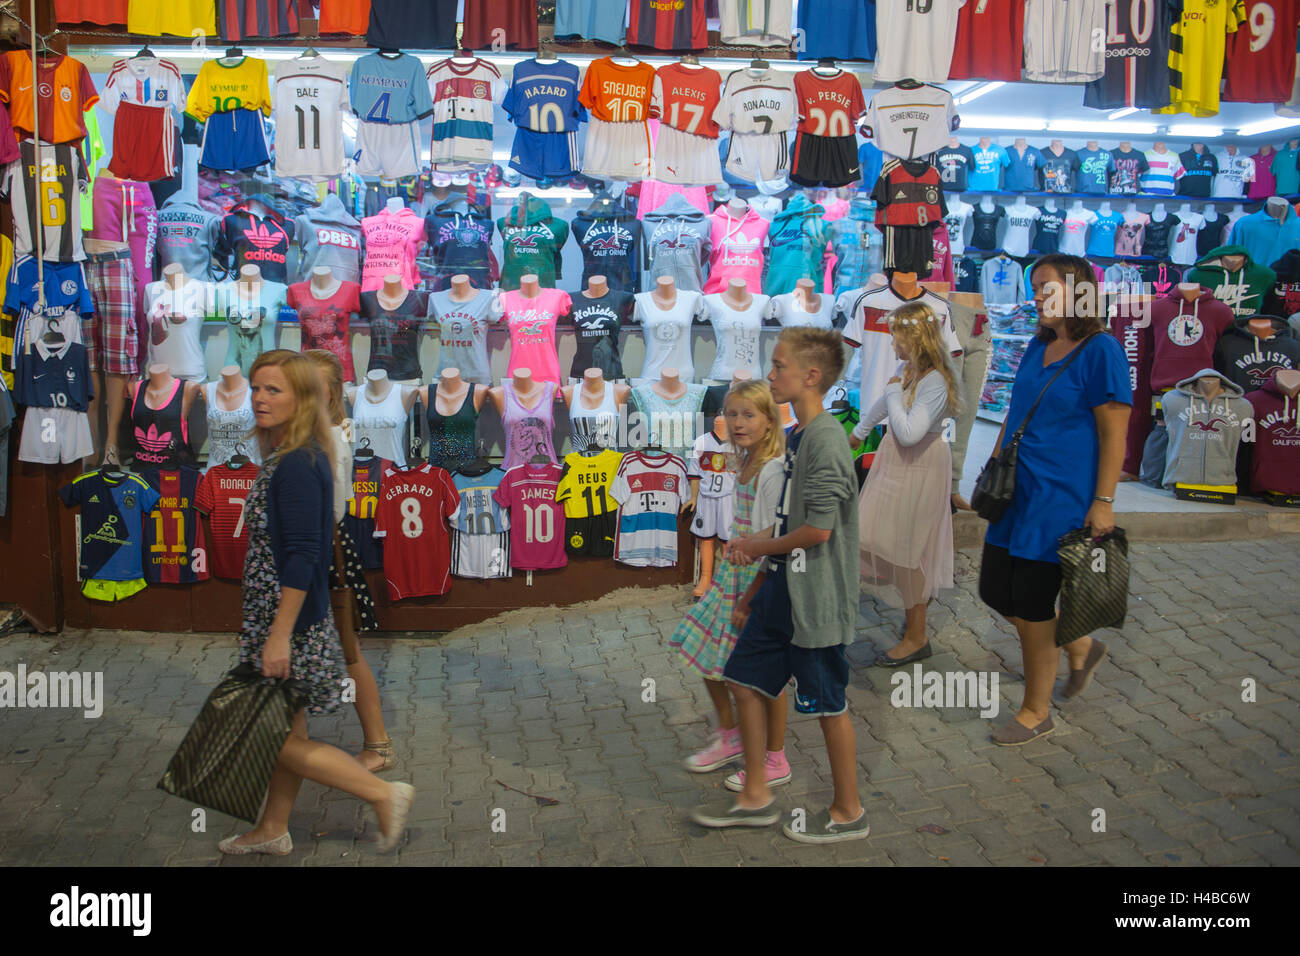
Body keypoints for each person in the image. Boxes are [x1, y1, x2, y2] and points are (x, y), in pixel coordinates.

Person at [218, 350, 414, 855]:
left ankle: (381, 792)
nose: (259, 398)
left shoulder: (301, 463)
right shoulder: (290, 454)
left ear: (303, 398)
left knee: (273, 736)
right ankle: (272, 827)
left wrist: (280, 633)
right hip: (277, 616)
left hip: (289, 621)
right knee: (290, 729)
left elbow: (306, 555)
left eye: (273, 390)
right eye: (256, 388)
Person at [691, 327, 867, 843]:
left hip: (816, 600)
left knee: (829, 706)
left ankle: (848, 811)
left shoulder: (828, 441)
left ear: (810, 376)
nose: (771, 375)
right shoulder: (799, 436)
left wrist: (753, 546)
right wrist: (757, 554)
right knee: (743, 679)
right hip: (780, 589)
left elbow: (817, 531)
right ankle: (756, 794)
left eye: (779, 366)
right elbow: (791, 521)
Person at [978, 254, 1131, 745]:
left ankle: (1035, 711)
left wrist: (1103, 500)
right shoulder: (1036, 344)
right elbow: (1014, 412)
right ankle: (1080, 643)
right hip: (1016, 492)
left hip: (1060, 498)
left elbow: (1114, 433)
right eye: (1035, 287)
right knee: (996, 592)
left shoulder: (1100, 350)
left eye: (1046, 286)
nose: (1037, 295)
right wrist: (991, 468)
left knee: (1032, 604)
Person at [669, 380, 789, 784]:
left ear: (770, 421)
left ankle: (775, 759)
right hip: (731, 576)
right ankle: (731, 736)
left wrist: (750, 596)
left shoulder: (771, 469)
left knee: (765, 674)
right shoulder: (746, 460)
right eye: (731, 414)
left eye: (748, 415)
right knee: (705, 653)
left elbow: (775, 536)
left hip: (757, 581)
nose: (737, 423)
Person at [303, 349, 395, 772]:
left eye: (313, 389)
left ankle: (376, 744)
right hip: (318, 550)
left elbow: (334, 506)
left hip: (323, 551)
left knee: (348, 649)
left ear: (333, 393)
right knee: (338, 648)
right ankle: (299, 744)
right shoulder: (309, 432)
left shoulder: (334, 437)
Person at [853, 301, 959, 665]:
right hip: (899, 464)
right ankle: (916, 598)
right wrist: (859, 433)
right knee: (873, 539)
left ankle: (917, 634)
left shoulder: (935, 381)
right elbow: (884, 403)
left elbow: (910, 431)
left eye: (897, 336)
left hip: (920, 465)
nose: (892, 343)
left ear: (916, 337)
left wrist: (896, 391)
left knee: (906, 550)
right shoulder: (908, 369)